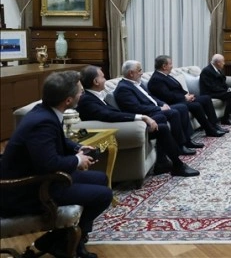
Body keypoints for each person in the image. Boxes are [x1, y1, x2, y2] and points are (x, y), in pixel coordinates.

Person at [0, 71, 113, 258]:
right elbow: (49, 164)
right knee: (104, 195)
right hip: (27, 190)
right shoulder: (42, 122)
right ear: (68, 100)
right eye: (80, 92)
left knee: (100, 178)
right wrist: (78, 160)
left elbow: (56, 141)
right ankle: (64, 242)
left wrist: (78, 148)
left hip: (40, 178)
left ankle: (63, 241)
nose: (82, 94)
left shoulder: (45, 111)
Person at [76, 65, 199, 177]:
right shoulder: (87, 100)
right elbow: (108, 115)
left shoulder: (95, 96)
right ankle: (177, 165)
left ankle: (164, 163)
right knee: (161, 126)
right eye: (103, 77)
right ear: (96, 81)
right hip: (115, 133)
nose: (105, 79)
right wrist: (141, 117)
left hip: (123, 126)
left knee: (161, 127)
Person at [114, 60, 203, 155]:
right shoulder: (123, 88)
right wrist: (159, 108)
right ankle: (180, 146)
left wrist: (162, 104)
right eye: (139, 70)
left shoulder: (137, 83)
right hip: (148, 113)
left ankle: (187, 141)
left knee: (182, 107)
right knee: (173, 113)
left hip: (155, 108)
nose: (142, 73)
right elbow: (136, 108)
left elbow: (151, 97)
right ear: (131, 73)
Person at [147, 55, 227, 137]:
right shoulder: (156, 79)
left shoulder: (165, 75)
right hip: (173, 103)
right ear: (164, 66)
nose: (172, 66)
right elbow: (167, 96)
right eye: (170, 64)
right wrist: (185, 98)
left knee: (206, 98)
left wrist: (187, 94)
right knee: (196, 105)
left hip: (181, 99)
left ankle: (214, 124)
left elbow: (177, 88)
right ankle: (209, 130)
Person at [199, 54, 231, 124]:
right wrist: (226, 90)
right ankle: (226, 118)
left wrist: (228, 88)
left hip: (219, 90)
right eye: (223, 61)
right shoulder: (207, 71)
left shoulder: (217, 69)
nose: (224, 63)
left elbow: (222, 82)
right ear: (218, 63)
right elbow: (211, 86)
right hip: (210, 93)